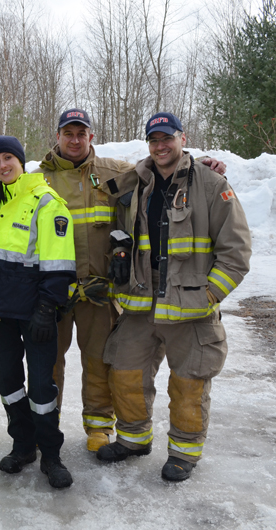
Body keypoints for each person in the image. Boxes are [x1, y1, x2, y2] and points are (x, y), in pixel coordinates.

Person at [39, 108, 228, 453]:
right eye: (69, 133)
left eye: (82, 133)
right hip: (54, 291)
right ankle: (45, 425)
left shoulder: (117, 174)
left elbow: (168, 167)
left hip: (99, 290)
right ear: (58, 136)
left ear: (91, 136)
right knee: (48, 364)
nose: (75, 139)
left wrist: (203, 165)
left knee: (99, 362)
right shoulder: (37, 181)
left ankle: (99, 427)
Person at [96, 112, 251, 481]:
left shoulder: (212, 184)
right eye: (154, 139)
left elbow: (236, 253)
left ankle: (184, 451)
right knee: (126, 372)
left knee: (189, 382)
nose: (161, 146)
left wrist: (210, 294)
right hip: (141, 300)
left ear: (183, 138)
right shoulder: (137, 181)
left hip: (190, 305)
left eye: (167, 138)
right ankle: (134, 439)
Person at [0, 136, 77, 489]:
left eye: (9, 158)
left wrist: (47, 307)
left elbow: (60, 262)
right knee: (9, 384)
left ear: (21, 160)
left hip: (36, 312)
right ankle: (23, 446)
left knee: (40, 387)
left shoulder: (46, 202)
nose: (3, 165)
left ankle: (51, 454)